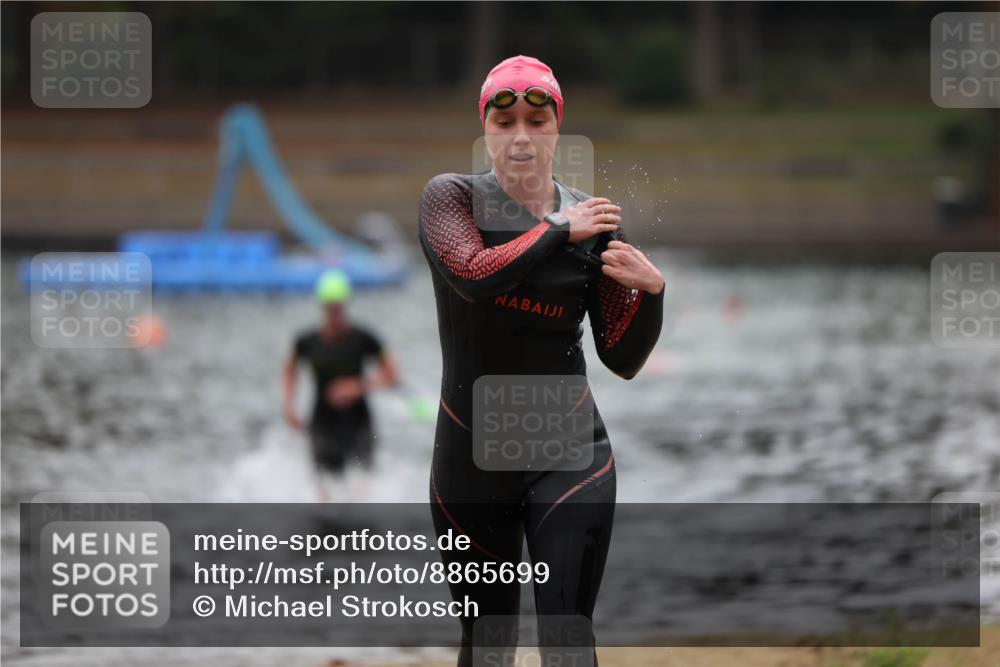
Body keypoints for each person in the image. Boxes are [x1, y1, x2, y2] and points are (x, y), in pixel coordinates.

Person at [418, 55, 664, 666]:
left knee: (568, 637)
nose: (522, 137)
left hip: (570, 453)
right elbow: (473, 276)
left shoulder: (595, 224)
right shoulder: (451, 199)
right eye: (504, 123)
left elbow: (622, 359)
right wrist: (557, 229)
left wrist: (653, 295)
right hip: (471, 459)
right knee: (489, 645)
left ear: (558, 127)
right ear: (485, 127)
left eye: (537, 120)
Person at [282, 270, 398, 500]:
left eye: (338, 308)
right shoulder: (306, 341)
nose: (334, 313)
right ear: (322, 307)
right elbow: (289, 370)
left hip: (358, 423)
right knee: (325, 491)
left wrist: (357, 386)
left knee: (363, 489)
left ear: (345, 306)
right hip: (322, 424)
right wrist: (289, 407)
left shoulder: (364, 338)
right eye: (329, 308)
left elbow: (392, 375)